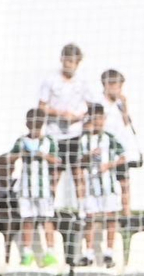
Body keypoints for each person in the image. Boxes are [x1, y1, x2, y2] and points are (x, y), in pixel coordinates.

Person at [36, 43, 98, 210]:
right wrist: (60, 114)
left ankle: (83, 210)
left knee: (78, 172)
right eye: (67, 61)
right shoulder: (50, 80)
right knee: (55, 173)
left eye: (74, 62)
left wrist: (83, 119)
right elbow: (41, 106)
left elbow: (93, 107)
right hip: (55, 134)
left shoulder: (82, 82)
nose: (70, 65)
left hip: (75, 134)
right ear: (62, 59)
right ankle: (48, 208)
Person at [8, 109, 61, 267]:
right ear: (27, 124)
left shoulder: (49, 141)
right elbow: (8, 159)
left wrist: (43, 156)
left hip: (44, 189)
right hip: (26, 189)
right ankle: (27, 253)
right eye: (33, 124)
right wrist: (19, 155)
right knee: (27, 220)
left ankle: (50, 253)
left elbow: (58, 161)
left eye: (38, 124)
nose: (35, 128)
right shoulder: (22, 141)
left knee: (46, 219)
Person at [77, 103, 126, 267]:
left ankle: (109, 254)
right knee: (89, 219)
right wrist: (89, 155)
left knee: (111, 218)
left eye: (100, 118)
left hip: (108, 187)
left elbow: (124, 157)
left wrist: (109, 165)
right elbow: (79, 162)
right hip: (92, 187)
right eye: (95, 118)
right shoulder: (84, 140)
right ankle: (89, 254)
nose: (98, 121)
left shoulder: (110, 138)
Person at [99, 70, 140, 219]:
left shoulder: (119, 104)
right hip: (106, 150)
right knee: (106, 184)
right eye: (117, 86)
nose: (119, 90)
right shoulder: (101, 104)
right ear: (107, 85)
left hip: (120, 151)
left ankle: (126, 216)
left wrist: (125, 107)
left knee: (125, 184)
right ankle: (105, 215)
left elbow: (127, 125)